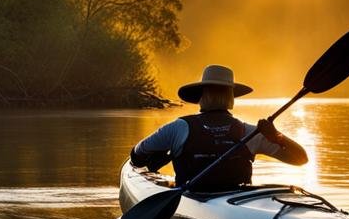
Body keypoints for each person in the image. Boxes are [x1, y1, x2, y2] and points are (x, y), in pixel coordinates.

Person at [129, 64, 308, 192]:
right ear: (231, 97)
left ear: (201, 96)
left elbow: (136, 157)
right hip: (237, 204)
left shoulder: (178, 128)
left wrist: (162, 156)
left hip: (193, 200)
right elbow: (301, 159)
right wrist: (276, 136)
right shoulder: (250, 132)